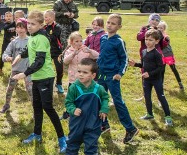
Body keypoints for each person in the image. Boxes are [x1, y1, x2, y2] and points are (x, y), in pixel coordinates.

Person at [13, 10, 67, 153]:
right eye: (28, 23)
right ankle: (37, 134)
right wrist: (20, 55)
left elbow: (40, 61)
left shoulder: (42, 38)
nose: (29, 26)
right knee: (37, 106)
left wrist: (24, 73)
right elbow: (29, 49)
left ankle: (62, 138)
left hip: (45, 78)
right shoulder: (33, 36)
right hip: (36, 78)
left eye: (33, 24)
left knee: (48, 108)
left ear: (41, 25)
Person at [56, 58, 109, 155]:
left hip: (93, 125)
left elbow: (105, 98)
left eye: (85, 72)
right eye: (79, 71)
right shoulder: (74, 88)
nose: (80, 74)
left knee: (92, 147)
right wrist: (73, 109)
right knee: (72, 143)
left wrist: (104, 109)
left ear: (93, 75)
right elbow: (68, 102)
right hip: (77, 124)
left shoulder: (98, 88)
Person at [96, 14, 139, 143]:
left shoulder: (119, 41)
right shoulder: (103, 38)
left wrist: (120, 73)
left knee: (118, 102)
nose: (109, 25)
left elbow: (124, 59)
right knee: (100, 100)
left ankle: (130, 128)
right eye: (108, 22)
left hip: (112, 77)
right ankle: (104, 124)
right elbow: (101, 56)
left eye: (113, 23)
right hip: (101, 76)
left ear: (119, 26)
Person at [129, 29, 173, 126]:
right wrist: (135, 64)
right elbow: (143, 65)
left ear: (156, 41)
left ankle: (168, 117)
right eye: (146, 39)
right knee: (147, 97)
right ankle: (149, 114)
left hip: (156, 79)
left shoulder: (157, 54)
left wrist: (150, 73)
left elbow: (161, 68)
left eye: (151, 40)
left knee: (161, 97)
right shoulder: (144, 51)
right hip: (146, 80)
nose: (148, 42)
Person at [61, 31, 100, 119]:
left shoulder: (85, 50)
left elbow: (97, 56)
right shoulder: (69, 51)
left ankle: (84, 112)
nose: (79, 43)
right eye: (76, 41)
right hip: (73, 78)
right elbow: (65, 61)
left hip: (84, 80)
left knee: (83, 96)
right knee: (71, 96)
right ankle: (68, 112)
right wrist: (73, 53)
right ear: (71, 42)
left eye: (80, 41)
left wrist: (89, 50)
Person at [0, 19, 31, 113]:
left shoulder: (31, 41)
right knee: (10, 88)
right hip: (16, 69)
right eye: (18, 27)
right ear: (15, 29)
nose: (20, 30)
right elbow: (4, 54)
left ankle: (35, 110)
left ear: (26, 29)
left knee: (31, 91)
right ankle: (6, 105)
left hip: (28, 70)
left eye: (22, 27)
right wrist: (7, 58)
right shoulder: (14, 42)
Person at [157, 21, 184, 90]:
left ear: (164, 29)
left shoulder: (166, 36)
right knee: (162, 70)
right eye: (159, 27)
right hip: (161, 55)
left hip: (168, 54)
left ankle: (180, 83)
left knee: (173, 69)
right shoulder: (157, 35)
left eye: (161, 28)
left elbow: (164, 44)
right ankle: (161, 85)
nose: (160, 29)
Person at [44, 10, 65, 94]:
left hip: (57, 51)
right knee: (46, 69)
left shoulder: (57, 27)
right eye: (44, 17)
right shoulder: (44, 28)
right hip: (47, 52)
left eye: (46, 17)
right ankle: (47, 84)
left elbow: (53, 37)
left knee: (59, 68)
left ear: (52, 18)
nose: (44, 19)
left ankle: (59, 83)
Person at [0, 11, 16, 76]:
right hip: (6, 43)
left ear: (12, 17)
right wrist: (14, 21)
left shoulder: (15, 24)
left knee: (14, 55)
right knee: (3, 55)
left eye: (10, 16)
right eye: (7, 16)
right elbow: (6, 28)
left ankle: (14, 70)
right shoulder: (4, 24)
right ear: (5, 17)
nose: (8, 17)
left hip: (14, 43)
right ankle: (0, 67)